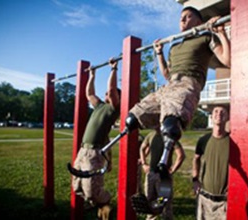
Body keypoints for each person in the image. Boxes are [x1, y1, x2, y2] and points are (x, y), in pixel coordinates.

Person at [123, 6, 231, 179]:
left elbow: (228, 60)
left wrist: (221, 33)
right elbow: (167, 75)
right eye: (181, 17)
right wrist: (159, 53)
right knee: (132, 119)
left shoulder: (206, 37)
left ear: (198, 22)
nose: (182, 20)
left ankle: (163, 166)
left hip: (188, 83)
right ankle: (103, 152)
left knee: (170, 125)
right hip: (170, 86)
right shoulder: (174, 46)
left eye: (188, 17)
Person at [72, 58, 121, 220]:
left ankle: (106, 204)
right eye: (105, 93)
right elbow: (89, 94)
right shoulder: (99, 105)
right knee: (77, 186)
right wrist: (92, 75)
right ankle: (97, 203)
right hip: (83, 150)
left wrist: (113, 69)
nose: (106, 93)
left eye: (109, 94)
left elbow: (112, 89)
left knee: (92, 191)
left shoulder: (113, 109)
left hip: (94, 153)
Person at [192, 105, 229, 220]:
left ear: (227, 117)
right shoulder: (203, 140)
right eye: (216, 112)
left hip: (225, 201)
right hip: (205, 198)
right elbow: (196, 159)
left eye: (223, 112)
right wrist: (195, 179)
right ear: (211, 117)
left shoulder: (233, 142)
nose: (219, 114)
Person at [139, 127, 185, 220]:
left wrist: (172, 169)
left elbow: (181, 155)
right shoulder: (151, 135)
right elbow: (142, 148)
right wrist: (144, 163)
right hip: (151, 173)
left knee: (165, 203)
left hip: (164, 176)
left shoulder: (170, 135)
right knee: (150, 201)